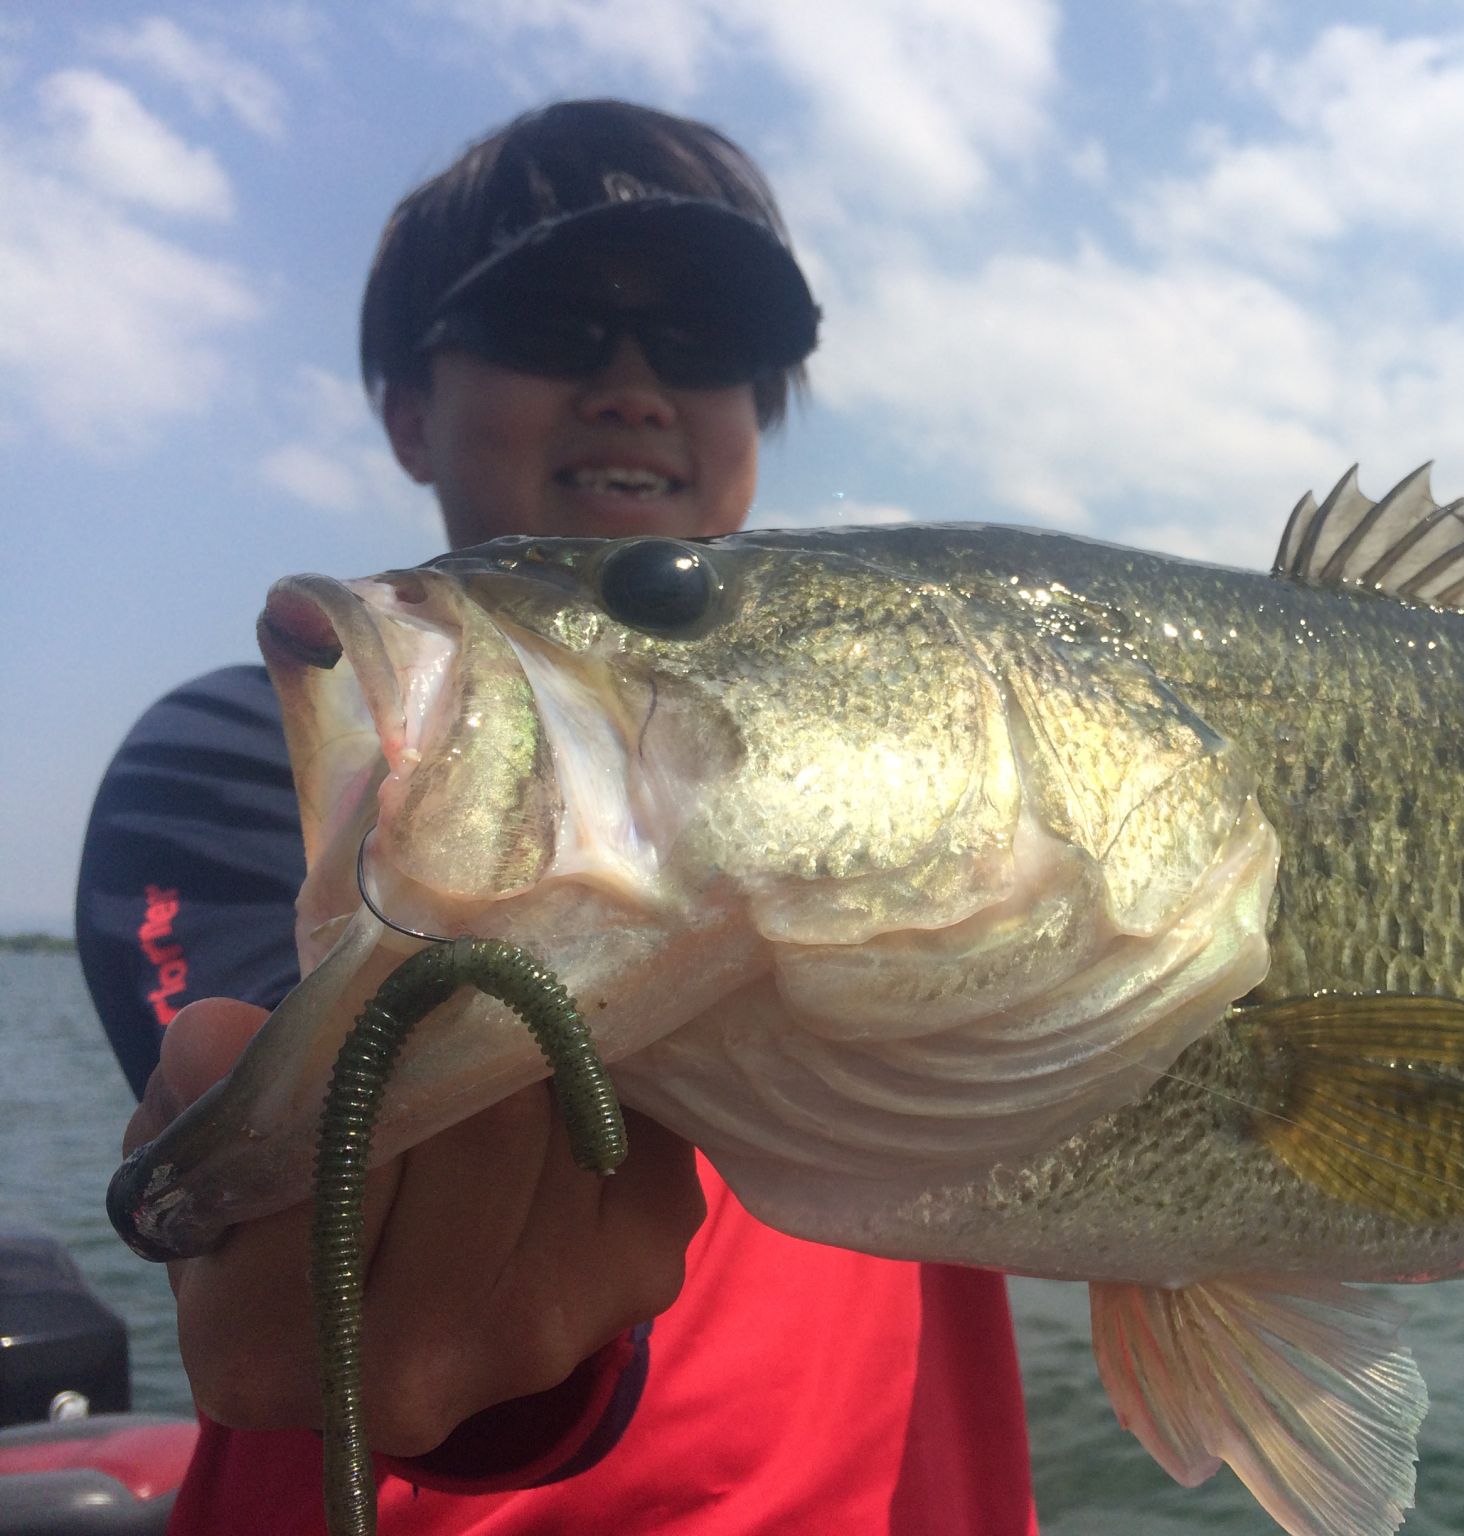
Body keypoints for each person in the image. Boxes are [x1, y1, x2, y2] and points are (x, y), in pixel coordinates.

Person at [77, 99, 1037, 1534]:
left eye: (705, 340)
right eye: (551, 322)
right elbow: (353, 1195)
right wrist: (495, 1381)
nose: (636, 385)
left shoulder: (936, 772)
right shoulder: (271, 752)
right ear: (410, 411)